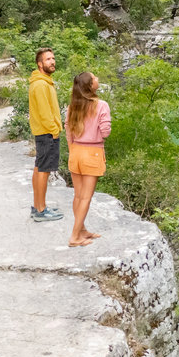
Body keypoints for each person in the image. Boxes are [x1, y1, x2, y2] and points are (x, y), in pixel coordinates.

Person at [64, 70, 110, 248]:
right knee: (86, 198)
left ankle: (82, 229)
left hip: (76, 151)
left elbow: (68, 129)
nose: (97, 79)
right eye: (94, 78)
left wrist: (72, 148)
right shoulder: (101, 105)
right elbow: (105, 131)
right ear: (90, 85)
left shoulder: (73, 105)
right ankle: (75, 236)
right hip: (92, 152)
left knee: (78, 195)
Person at [26, 47, 64, 222]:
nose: (52, 61)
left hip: (44, 133)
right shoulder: (41, 84)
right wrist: (54, 130)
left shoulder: (43, 81)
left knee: (39, 168)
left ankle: (38, 206)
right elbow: (44, 112)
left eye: (53, 58)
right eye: (48, 59)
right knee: (44, 171)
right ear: (40, 64)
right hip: (47, 133)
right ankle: (41, 210)